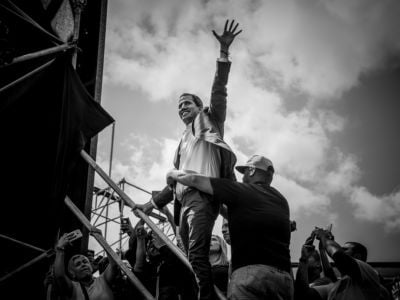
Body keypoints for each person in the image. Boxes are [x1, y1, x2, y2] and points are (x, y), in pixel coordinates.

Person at [137, 19, 242, 300]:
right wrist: (148, 206)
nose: (182, 108)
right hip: (182, 204)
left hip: (203, 197)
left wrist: (223, 53)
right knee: (188, 258)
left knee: (196, 254)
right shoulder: (181, 145)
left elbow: (219, 90)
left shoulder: (211, 123)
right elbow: (171, 187)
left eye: (187, 103)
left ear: (199, 107)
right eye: (179, 105)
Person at [166, 154, 293, 300]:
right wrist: (219, 205)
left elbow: (194, 179)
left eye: (245, 172)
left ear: (251, 171)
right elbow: (242, 215)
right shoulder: (282, 201)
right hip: (283, 280)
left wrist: (171, 174)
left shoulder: (241, 191)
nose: (243, 177)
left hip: (250, 276)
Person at [310, 228, 391, 300]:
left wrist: (324, 237)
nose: (342, 251)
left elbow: (338, 255)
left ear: (357, 256)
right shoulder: (343, 283)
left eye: (345, 249)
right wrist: (322, 249)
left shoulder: (368, 271)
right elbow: (329, 273)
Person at [53, 231, 118, 300]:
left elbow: (114, 264)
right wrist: (60, 249)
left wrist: (101, 240)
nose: (83, 264)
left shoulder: (103, 279)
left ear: (91, 267)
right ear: (72, 273)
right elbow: (60, 276)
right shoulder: (73, 288)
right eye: (78, 264)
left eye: (85, 261)